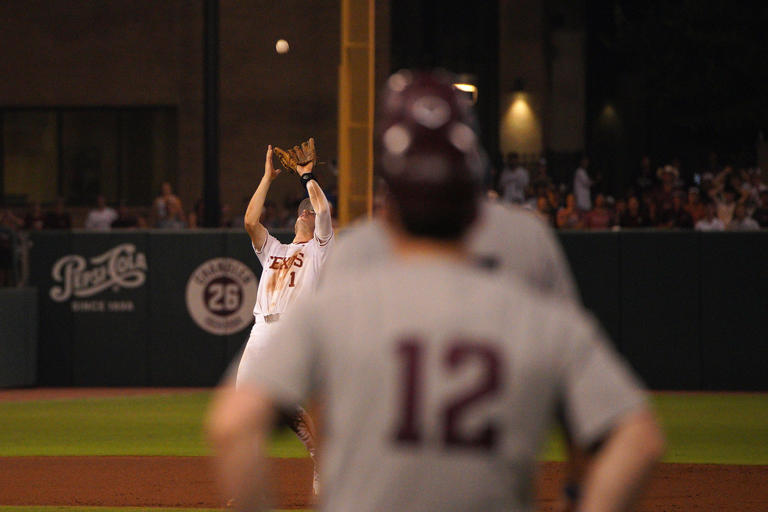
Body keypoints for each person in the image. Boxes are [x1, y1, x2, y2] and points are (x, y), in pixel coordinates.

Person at [207, 70, 664, 512]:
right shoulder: (521, 306)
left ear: (393, 186)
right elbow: (637, 437)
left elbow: (233, 424)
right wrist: (575, 497)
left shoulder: (353, 293)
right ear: (473, 172)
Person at [234, 138, 333, 496]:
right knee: (243, 409)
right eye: (303, 211)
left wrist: (307, 177)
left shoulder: (321, 248)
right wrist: (267, 178)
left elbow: (324, 211)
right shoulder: (274, 249)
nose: (307, 213)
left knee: (293, 405)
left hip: (293, 333)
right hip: (261, 332)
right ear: (296, 217)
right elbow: (249, 220)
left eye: (309, 211)